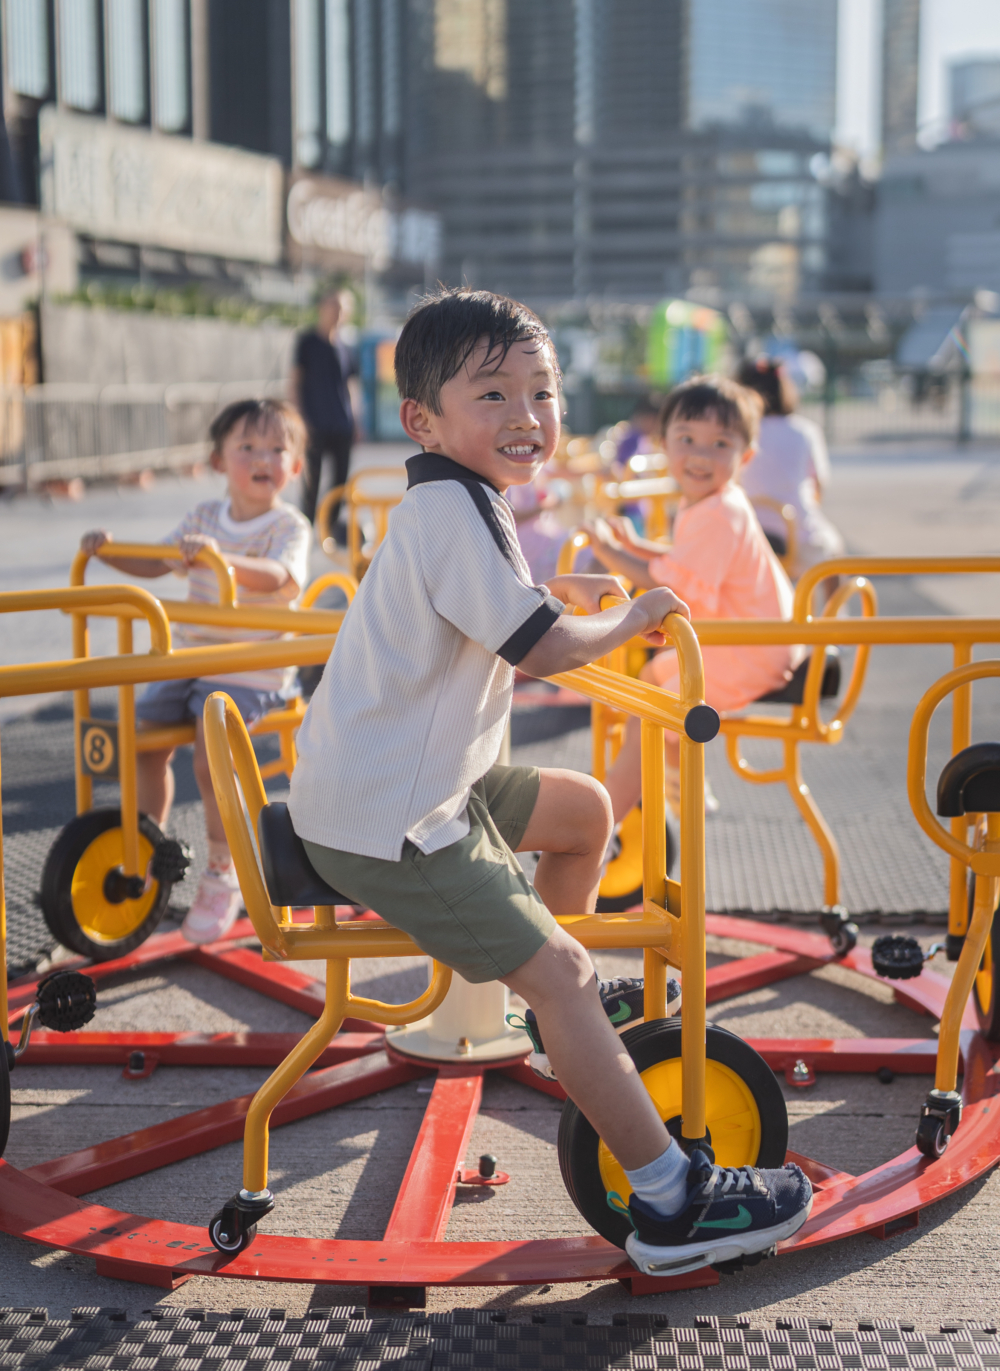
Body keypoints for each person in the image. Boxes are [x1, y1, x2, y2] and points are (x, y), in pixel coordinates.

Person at [286, 290, 811, 1278]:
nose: (527, 415)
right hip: (391, 820)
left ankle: (548, 1017)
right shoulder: (451, 511)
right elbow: (538, 649)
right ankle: (666, 1199)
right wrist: (625, 619)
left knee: (584, 812)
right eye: (493, 394)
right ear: (425, 422)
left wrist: (550, 593)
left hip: (426, 782)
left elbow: (502, 608)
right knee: (567, 971)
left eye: (542, 389)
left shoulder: (457, 498)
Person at [80, 398, 311, 945]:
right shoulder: (203, 518)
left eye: (278, 449)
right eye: (247, 447)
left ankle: (221, 870)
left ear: (295, 466)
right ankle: (149, 849)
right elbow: (157, 562)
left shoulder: (287, 525)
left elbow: (283, 578)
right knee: (141, 744)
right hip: (190, 659)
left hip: (249, 667)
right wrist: (109, 552)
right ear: (217, 460)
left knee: (211, 762)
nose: (263, 458)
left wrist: (222, 561)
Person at [585, 376, 802, 822]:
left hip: (751, 650)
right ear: (664, 443)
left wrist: (610, 553)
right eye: (687, 439)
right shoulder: (716, 503)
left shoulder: (719, 512)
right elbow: (688, 562)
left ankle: (605, 824)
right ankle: (683, 782)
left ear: (744, 456)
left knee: (648, 709)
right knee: (649, 680)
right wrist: (638, 547)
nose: (701, 455)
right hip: (756, 641)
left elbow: (674, 588)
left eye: (719, 443)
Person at [735, 356, 844, 580]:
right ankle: (835, 614)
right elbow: (818, 486)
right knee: (835, 556)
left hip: (749, 531)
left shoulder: (739, 432)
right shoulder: (805, 431)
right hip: (799, 531)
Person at [294, 292, 358, 529]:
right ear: (322, 307)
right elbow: (295, 383)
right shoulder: (307, 342)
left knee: (341, 478)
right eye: (333, 307)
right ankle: (306, 523)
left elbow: (351, 385)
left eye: (341, 309)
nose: (337, 314)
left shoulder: (346, 346)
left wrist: (356, 419)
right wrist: (300, 418)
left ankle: (330, 523)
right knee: (312, 477)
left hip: (341, 423)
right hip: (315, 422)